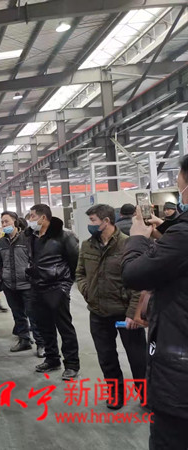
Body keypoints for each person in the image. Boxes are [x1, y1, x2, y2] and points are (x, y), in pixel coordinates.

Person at [122, 155, 188, 450]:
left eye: (179, 181)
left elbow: (134, 275)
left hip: (180, 377)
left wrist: (137, 238)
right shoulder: (179, 235)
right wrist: (168, 231)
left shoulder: (183, 236)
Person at [76, 204, 146, 410]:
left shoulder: (127, 245)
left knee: (138, 358)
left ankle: (146, 394)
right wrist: (87, 292)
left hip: (125, 313)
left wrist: (133, 313)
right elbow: (80, 273)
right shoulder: (87, 246)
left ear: (106, 221)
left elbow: (138, 282)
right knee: (107, 358)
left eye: (93, 220)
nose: (90, 225)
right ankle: (115, 394)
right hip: (98, 313)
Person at [26, 204, 80, 381]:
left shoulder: (64, 236)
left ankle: (71, 365)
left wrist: (65, 286)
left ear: (43, 217)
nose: (30, 220)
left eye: (32, 216)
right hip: (37, 287)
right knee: (44, 326)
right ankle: (52, 359)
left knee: (64, 327)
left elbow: (75, 262)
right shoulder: (33, 237)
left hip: (57, 288)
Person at [0, 212, 44, 356]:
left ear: (15, 222)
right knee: (18, 315)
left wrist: (32, 276)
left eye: (7, 221)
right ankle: (24, 340)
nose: (4, 224)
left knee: (34, 316)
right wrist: (2, 277)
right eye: (2, 222)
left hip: (27, 285)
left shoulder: (28, 239)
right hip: (9, 285)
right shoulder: (1, 243)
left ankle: (41, 344)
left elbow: (37, 259)